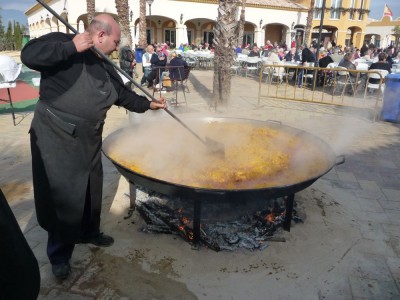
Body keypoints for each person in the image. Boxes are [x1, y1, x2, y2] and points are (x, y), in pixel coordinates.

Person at [20, 14, 166, 281]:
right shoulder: (64, 42)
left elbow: (121, 95)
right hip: (56, 136)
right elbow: (29, 55)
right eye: (116, 40)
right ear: (101, 36)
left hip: (88, 137)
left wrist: (148, 104)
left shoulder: (105, 64)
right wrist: (70, 48)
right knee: (64, 196)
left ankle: (89, 232)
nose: (117, 46)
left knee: (90, 187)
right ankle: (60, 255)